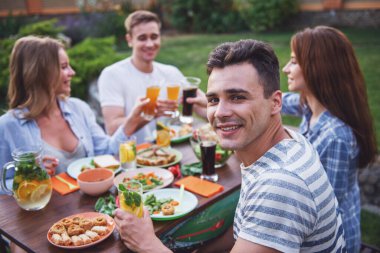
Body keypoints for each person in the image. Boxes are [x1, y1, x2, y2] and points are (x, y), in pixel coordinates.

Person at [114, 39, 346, 252]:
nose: (220, 113)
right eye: (214, 99)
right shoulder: (289, 142)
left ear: (275, 102)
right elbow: (243, 232)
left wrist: (147, 243)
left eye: (237, 97)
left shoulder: (280, 184)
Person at [281, 26, 377, 253]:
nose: (285, 68)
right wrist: (212, 101)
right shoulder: (311, 106)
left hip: (332, 244)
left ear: (318, 68)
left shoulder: (336, 138)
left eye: (294, 61)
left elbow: (324, 212)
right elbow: (275, 102)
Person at [0, 36, 150, 177]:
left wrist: (132, 120)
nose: (72, 72)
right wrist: (28, 175)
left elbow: (106, 152)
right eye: (64, 67)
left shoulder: (79, 109)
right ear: (41, 74)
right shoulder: (7, 126)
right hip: (48, 205)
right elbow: (2, 184)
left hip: (91, 203)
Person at [98, 10, 186, 144]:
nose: (150, 44)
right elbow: (112, 128)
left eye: (154, 37)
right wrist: (150, 114)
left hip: (169, 152)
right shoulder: (112, 75)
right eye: (142, 38)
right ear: (129, 40)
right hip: (130, 157)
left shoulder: (171, 73)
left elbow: (199, 103)